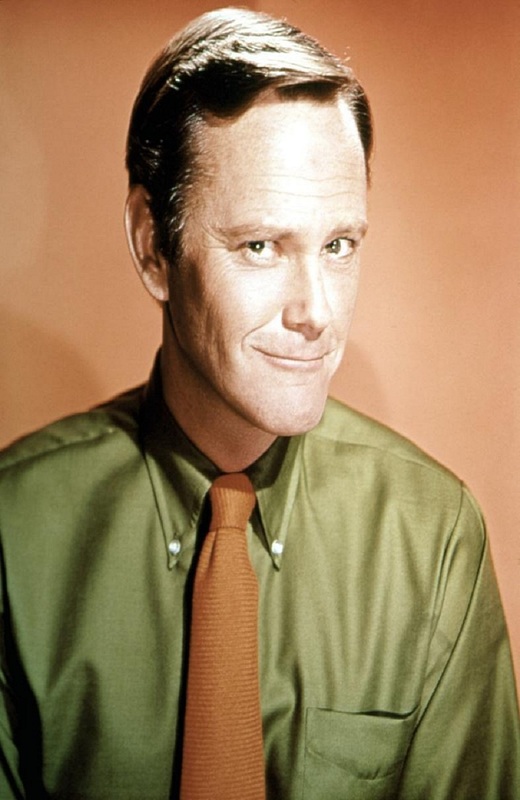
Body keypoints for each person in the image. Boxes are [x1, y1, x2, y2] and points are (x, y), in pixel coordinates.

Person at [0, 7, 518, 799]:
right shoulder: (15, 530)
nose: (317, 312)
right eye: (261, 246)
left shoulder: (433, 538)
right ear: (153, 245)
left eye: (338, 245)